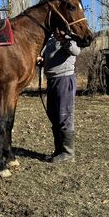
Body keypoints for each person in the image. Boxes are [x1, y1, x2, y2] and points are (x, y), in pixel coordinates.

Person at [37, 28, 80, 163]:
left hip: (64, 79)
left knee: (64, 116)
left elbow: (75, 51)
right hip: (52, 80)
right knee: (54, 115)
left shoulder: (70, 37)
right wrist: (42, 60)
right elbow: (50, 58)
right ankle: (59, 150)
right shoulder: (50, 40)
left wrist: (64, 39)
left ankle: (68, 153)